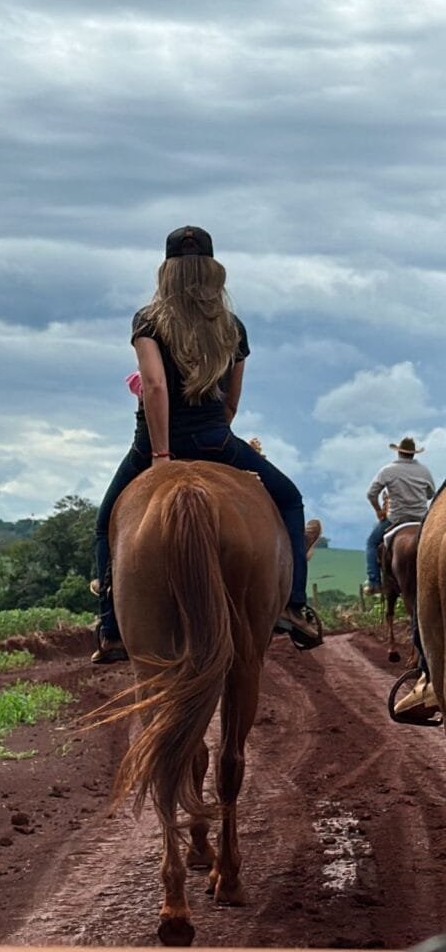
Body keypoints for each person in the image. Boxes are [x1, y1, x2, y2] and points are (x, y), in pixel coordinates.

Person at [92, 225, 323, 663]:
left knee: (106, 522)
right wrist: (215, 434)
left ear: (167, 272)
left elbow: (155, 387)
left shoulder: (148, 321)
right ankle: (294, 605)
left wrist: (161, 455)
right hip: (216, 440)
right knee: (290, 499)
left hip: (153, 444)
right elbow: (231, 401)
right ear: (214, 271)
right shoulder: (232, 328)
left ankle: (111, 628)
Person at [363, 436, 436, 596]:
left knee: (371, 543)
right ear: (413, 453)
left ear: (399, 452)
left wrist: (378, 511)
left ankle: (374, 582)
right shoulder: (424, 471)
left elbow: (371, 494)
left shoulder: (388, 470)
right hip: (421, 519)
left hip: (396, 518)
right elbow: (431, 494)